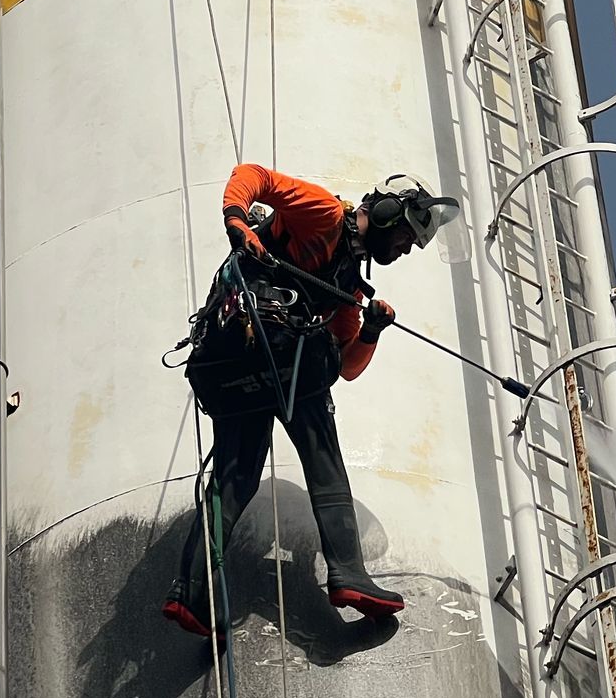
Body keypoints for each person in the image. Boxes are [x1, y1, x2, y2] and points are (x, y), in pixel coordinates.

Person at [164, 161, 459, 641]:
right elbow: (253, 175)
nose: (405, 249)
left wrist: (370, 332)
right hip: (272, 354)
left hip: (232, 368)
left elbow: (346, 366)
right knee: (324, 460)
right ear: (386, 212)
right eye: (406, 236)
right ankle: (348, 573)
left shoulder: (346, 285)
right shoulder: (323, 212)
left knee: (235, 478)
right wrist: (236, 219)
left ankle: (191, 589)